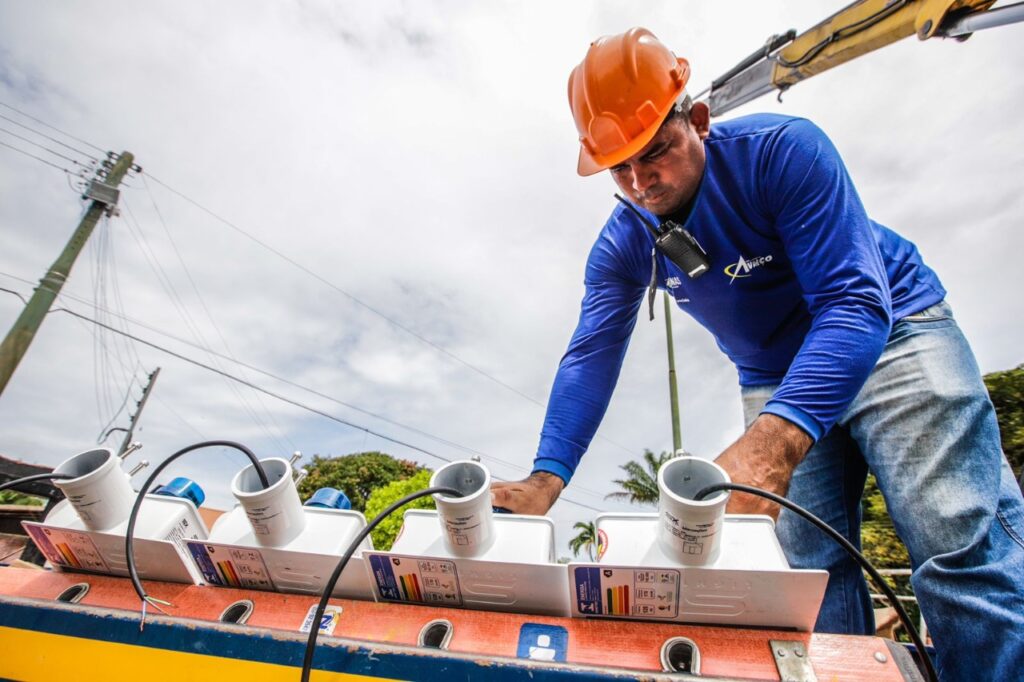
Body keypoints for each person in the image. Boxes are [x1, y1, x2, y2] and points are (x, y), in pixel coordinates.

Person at [490, 27, 1024, 680]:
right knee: (804, 578)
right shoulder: (625, 241)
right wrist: (547, 476)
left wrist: (773, 443)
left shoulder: (784, 153)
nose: (640, 181)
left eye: (654, 151)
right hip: (774, 375)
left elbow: (854, 304)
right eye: (618, 167)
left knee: (953, 538)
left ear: (700, 121)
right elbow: (592, 353)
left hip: (894, 332)